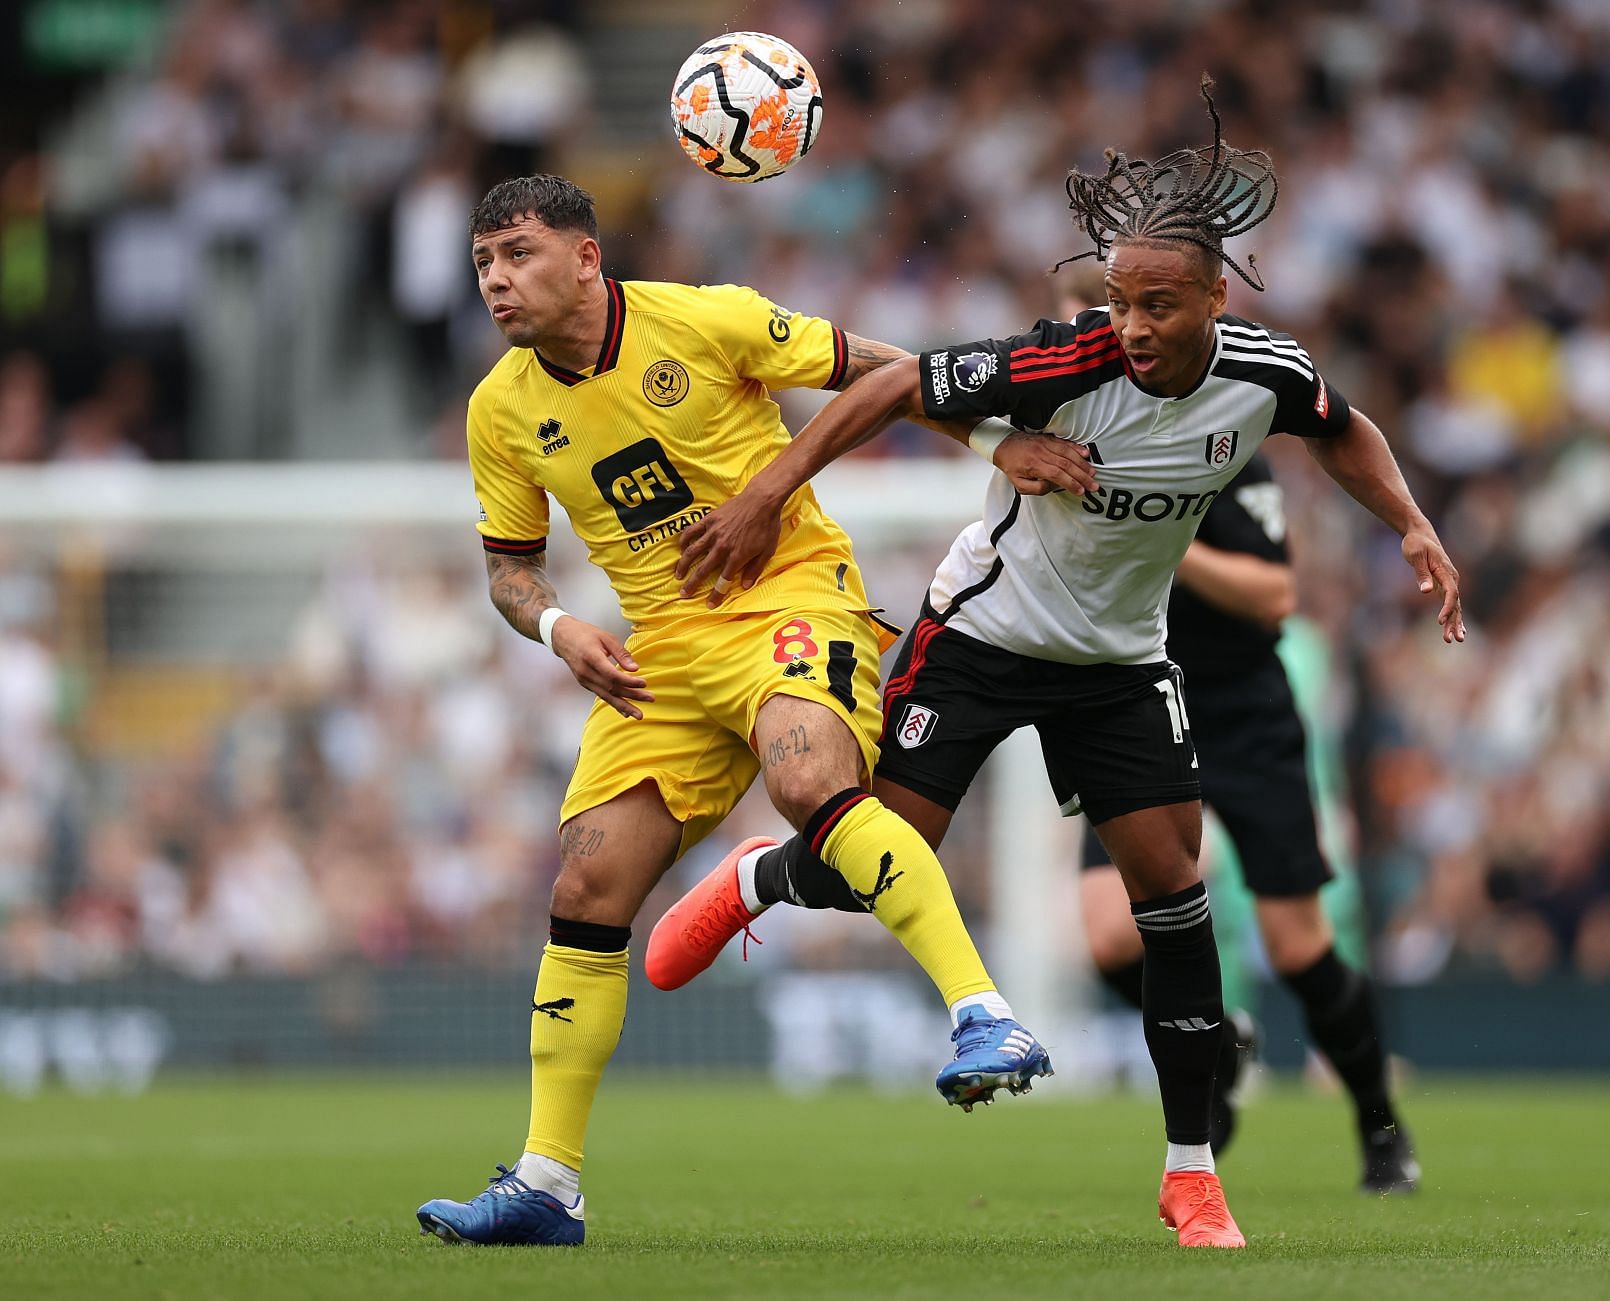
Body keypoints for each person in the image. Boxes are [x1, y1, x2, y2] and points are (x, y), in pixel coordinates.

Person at [650, 83, 1463, 1248]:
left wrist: (1413, 525)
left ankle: (1193, 1176)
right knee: (877, 863)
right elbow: (889, 382)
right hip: (979, 640)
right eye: (1120, 299)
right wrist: (768, 492)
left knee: (1173, 902)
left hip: (1121, 663)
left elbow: (1347, 428)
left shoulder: (1263, 374)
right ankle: (762, 879)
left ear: (1216, 298)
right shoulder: (1064, 359)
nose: (1129, 323)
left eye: (1156, 303)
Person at [415, 175, 1088, 1247]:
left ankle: (985, 1015)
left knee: (811, 776)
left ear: (586, 258)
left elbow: (886, 370)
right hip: (661, 657)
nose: (496, 277)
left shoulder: (704, 316)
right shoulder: (500, 407)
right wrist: (558, 629)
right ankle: (548, 1181)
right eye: (483, 260)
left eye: (519, 253)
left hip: (791, 598)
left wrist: (988, 442)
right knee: (587, 883)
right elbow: (509, 568)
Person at [1050, 258, 1419, 1195]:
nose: (1113, 343)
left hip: (1242, 714)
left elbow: (1276, 594)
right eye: (1095, 324)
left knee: (1298, 945)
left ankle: (1380, 1122)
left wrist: (1167, 539)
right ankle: (1218, 1043)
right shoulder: (1068, 447)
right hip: (1135, 698)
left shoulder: (1226, 443)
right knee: (1105, 934)